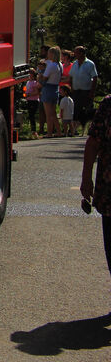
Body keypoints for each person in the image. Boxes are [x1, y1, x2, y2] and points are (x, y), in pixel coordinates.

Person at [80, 95, 111, 278]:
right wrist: (86, 178)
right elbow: (92, 143)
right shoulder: (108, 105)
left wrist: (86, 179)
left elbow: (93, 143)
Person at [71, 45, 100, 134]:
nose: (74, 54)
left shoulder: (90, 64)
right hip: (76, 91)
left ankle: (91, 128)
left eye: (76, 52)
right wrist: (71, 88)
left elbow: (94, 77)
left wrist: (92, 91)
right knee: (76, 110)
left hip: (86, 91)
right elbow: (71, 76)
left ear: (82, 53)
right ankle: (74, 129)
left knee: (88, 111)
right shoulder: (75, 63)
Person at [41, 46, 63, 138]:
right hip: (55, 87)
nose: (48, 55)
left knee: (48, 113)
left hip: (48, 87)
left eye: (49, 53)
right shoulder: (59, 65)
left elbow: (44, 77)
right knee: (53, 112)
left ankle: (49, 132)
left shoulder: (51, 65)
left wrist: (40, 76)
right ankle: (58, 131)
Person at [23, 68, 42, 138]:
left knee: (32, 115)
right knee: (30, 115)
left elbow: (37, 92)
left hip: (34, 100)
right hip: (29, 100)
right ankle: (32, 130)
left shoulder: (34, 83)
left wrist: (29, 94)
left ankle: (34, 131)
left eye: (30, 73)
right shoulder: (28, 82)